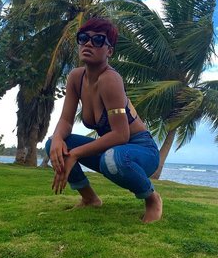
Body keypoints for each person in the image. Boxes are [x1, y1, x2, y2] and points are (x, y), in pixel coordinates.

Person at [45, 17, 162, 223]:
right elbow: (66, 120)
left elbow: (121, 135)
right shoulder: (76, 77)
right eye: (83, 38)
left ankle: (152, 198)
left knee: (112, 159)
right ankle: (89, 198)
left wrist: (76, 154)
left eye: (98, 40)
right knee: (54, 145)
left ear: (109, 51)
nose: (88, 43)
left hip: (141, 150)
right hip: (111, 150)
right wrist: (57, 139)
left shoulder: (110, 79)